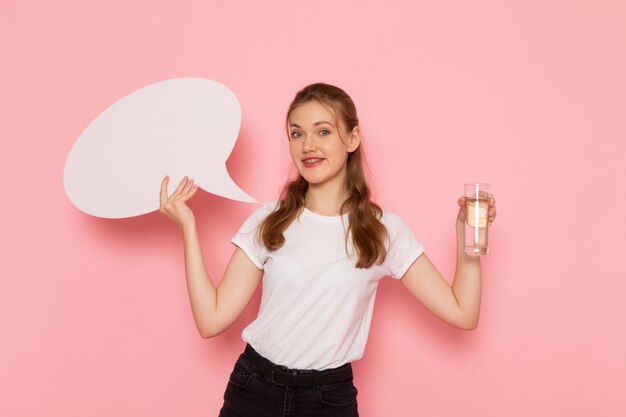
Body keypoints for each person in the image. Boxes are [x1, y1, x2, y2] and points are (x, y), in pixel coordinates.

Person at [158, 83, 497, 417]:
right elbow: (211, 320)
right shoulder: (270, 220)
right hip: (254, 390)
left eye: (323, 132)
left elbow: (463, 312)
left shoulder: (383, 232)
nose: (308, 145)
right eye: (296, 133)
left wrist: (466, 236)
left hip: (327, 401)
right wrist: (188, 228)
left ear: (352, 138)